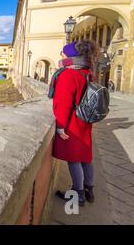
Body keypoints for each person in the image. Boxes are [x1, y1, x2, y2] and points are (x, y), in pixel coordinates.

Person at [52, 40, 99, 206]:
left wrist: (60, 126)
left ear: (69, 56)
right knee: (85, 157)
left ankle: (78, 194)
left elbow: (63, 103)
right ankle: (89, 190)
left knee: (73, 159)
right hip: (85, 121)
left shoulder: (68, 75)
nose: (61, 56)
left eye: (63, 53)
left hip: (72, 123)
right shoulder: (87, 72)